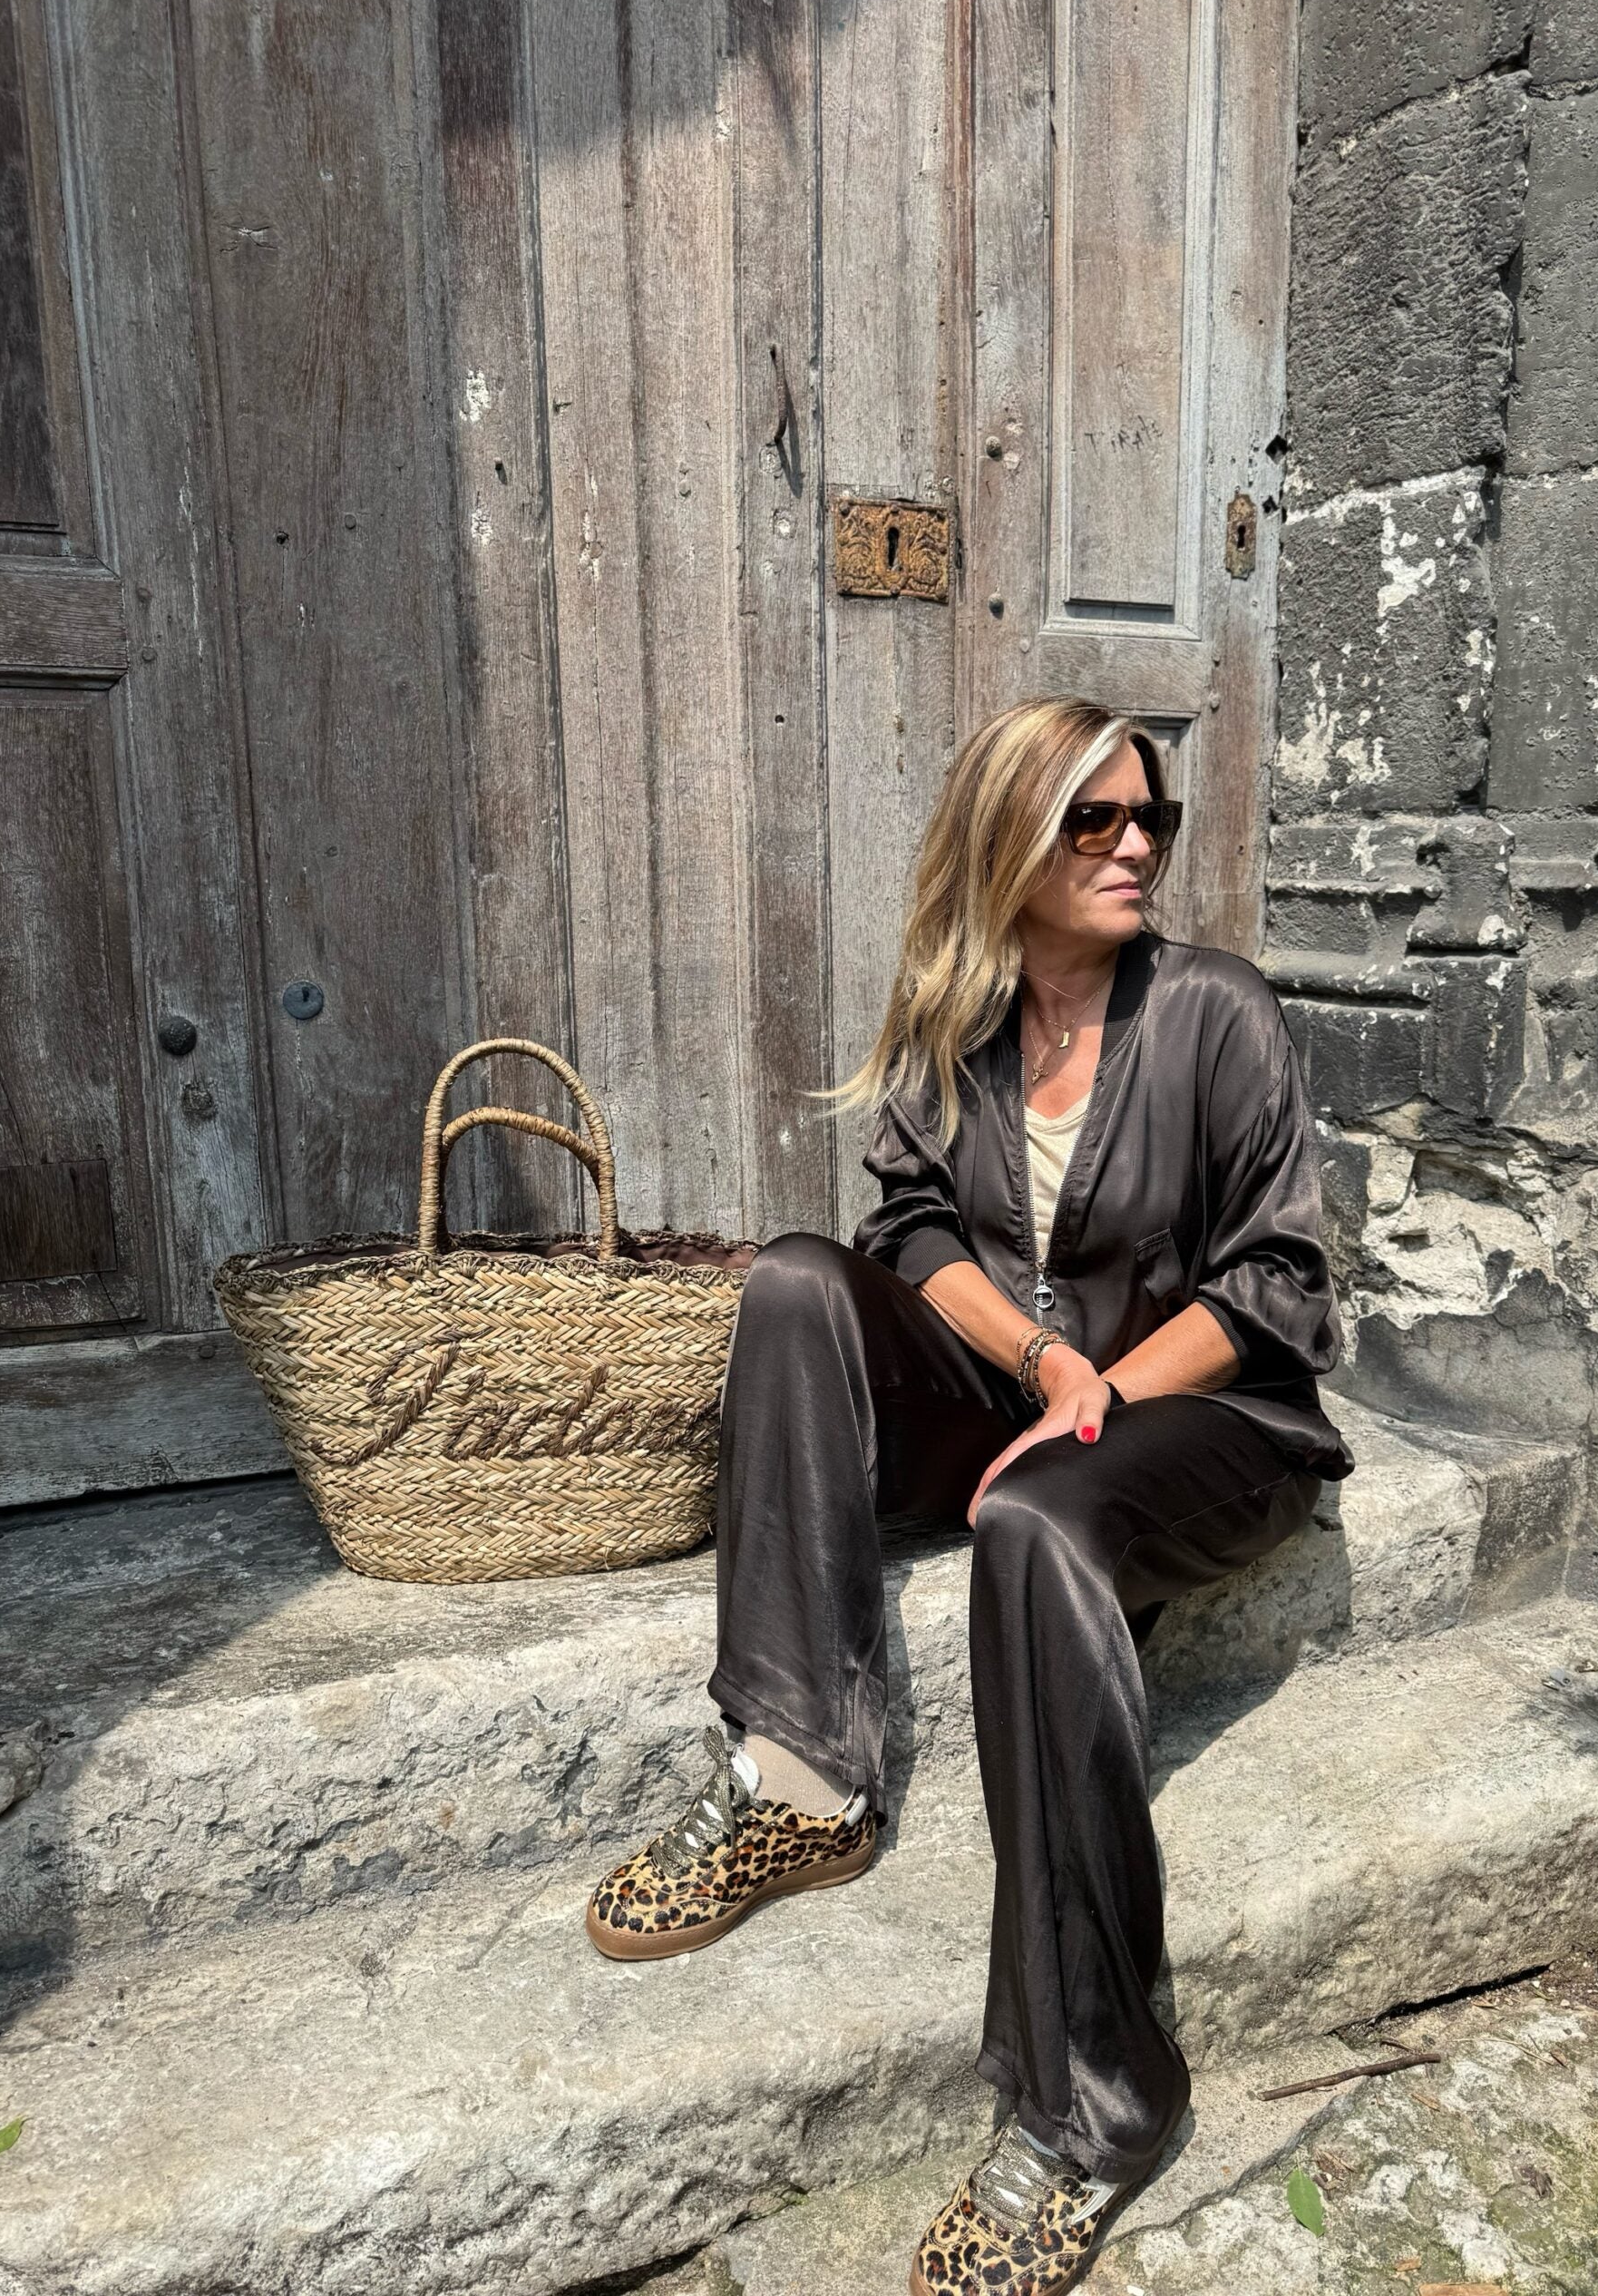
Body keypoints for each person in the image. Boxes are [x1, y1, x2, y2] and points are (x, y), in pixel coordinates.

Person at [584, 695, 1355, 2294]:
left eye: (1149, 817)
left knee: (1037, 1521)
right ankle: (800, 1779)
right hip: (1042, 1393)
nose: (1136, 846)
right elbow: (913, 1228)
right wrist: (1044, 1365)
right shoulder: (962, 1014)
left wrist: (1104, 1394)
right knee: (796, 1283)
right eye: (1095, 820)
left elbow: (1279, 1278)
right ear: (1011, 838)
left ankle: (1097, 2102)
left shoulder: (1214, 1010)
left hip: (1217, 1414)